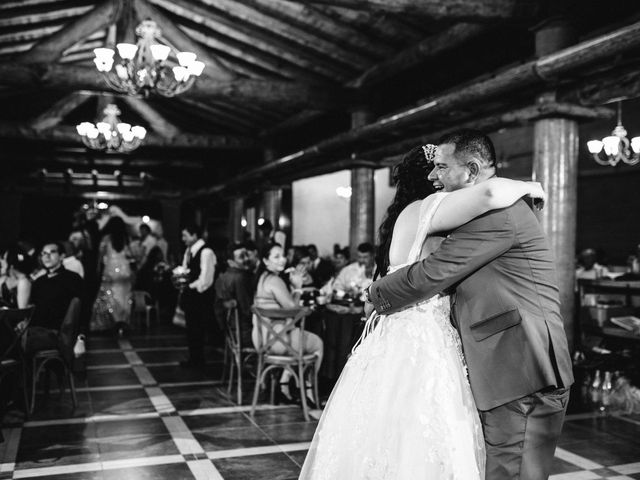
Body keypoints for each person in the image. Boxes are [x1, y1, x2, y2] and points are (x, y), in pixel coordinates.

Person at [300, 139, 551, 479]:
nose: (438, 175)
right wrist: (531, 185)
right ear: (430, 180)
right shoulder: (433, 205)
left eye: (442, 167)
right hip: (424, 331)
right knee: (428, 429)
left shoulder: (405, 215)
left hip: (397, 332)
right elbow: (488, 198)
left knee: (386, 429)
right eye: (436, 169)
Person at [362, 130, 574, 480]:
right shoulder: (485, 210)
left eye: (443, 167)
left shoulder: (498, 215)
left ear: (471, 170)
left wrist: (373, 295)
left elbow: (433, 272)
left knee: (512, 473)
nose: (435, 176)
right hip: (508, 364)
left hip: (519, 365)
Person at [254, 242, 323, 406]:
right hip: (277, 342)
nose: (282, 260)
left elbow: (286, 308)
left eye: (283, 255)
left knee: (303, 336)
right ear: (265, 260)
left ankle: (285, 383)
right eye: (276, 256)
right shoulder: (275, 280)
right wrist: (298, 287)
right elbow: (295, 311)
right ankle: (308, 391)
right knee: (318, 344)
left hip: (262, 339)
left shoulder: (263, 278)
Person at [21, 242, 83, 355]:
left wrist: (81, 339)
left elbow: (83, 310)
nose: (46, 256)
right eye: (44, 253)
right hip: (35, 331)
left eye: (52, 252)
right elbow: (33, 309)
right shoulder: (39, 282)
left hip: (57, 334)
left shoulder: (73, 279)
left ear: (62, 256)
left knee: (20, 342)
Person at [180, 223, 216, 370]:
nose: (183, 239)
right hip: (191, 296)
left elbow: (206, 279)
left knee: (198, 330)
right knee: (191, 329)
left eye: (185, 236)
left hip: (201, 297)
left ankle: (199, 361)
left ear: (194, 235)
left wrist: (190, 286)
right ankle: (193, 358)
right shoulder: (189, 251)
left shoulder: (206, 252)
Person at [90, 217, 133, 333]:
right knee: (124, 297)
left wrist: (98, 269)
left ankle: (113, 321)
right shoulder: (126, 239)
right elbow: (130, 254)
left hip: (110, 269)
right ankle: (123, 322)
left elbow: (100, 256)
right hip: (125, 269)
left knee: (109, 297)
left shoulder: (107, 238)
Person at [214, 242, 253, 347]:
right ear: (230, 262)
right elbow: (247, 310)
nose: (246, 259)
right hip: (245, 333)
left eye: (247, 255)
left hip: (230, 331)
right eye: (241, 257)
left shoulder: (222, 277)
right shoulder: (240, 278)